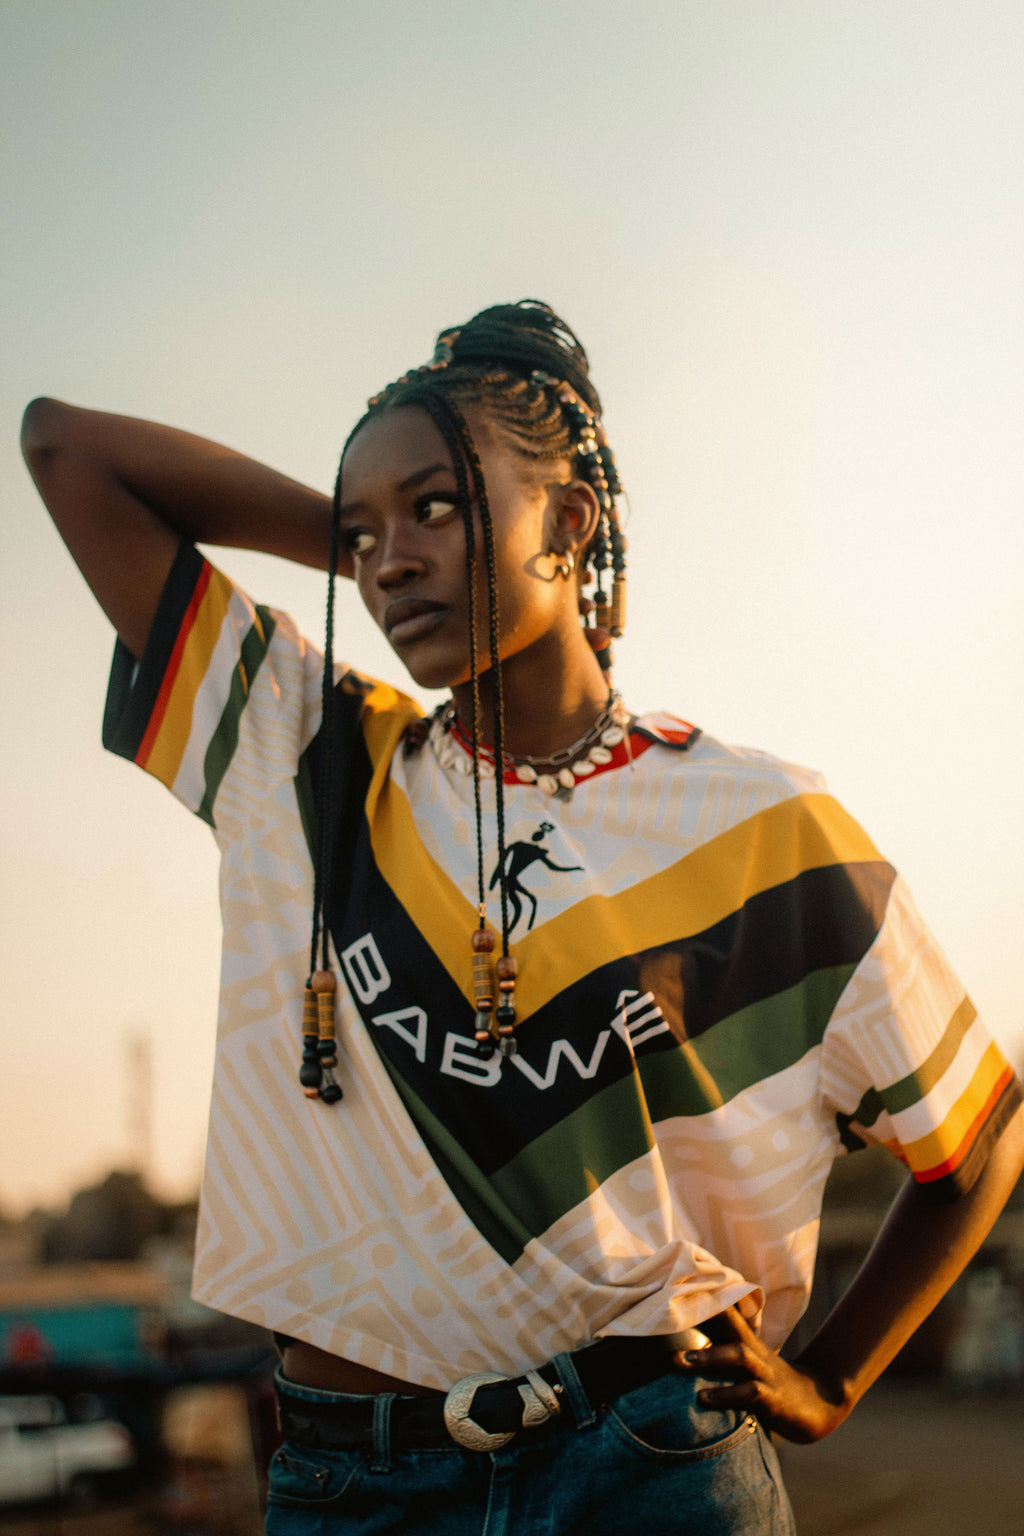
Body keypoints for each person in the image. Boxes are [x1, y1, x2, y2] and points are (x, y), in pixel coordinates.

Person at [22, 301, 1024, 1535]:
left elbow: (978, 1141)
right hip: (356, 1487)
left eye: (434, 506)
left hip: (653, 1468)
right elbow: (67, 450)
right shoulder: (308, 754)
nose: (390, 560)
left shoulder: (761, 825)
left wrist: (828, 1380)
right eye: (363, 530)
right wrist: (365, 535)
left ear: (569, 520)